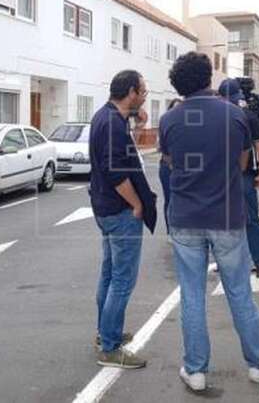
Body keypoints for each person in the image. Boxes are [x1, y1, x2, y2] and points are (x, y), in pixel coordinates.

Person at [160, 53, 259, 391]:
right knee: (239, 291)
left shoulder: (169, 120)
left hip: (184, 218)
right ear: (209, 77)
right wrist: (240, 175)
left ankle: (195, 370)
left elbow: (168, 160)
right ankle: (258, 364)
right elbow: (242, 160)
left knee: (192, 295)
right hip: (225, 216)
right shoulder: (235, 115)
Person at [89, 69, 157, 369]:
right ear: (131, 91)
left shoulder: (105, 116)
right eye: (142, 91)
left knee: (109, 273)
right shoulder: (113, 125)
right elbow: (117, 174)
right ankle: (110, 347)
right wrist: (137, 205)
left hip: (104, 208)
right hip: (119, 210)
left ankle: (105, 333)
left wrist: (137, 117)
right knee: (122, 279)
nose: (144, 96)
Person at [218, 78, 259, 278]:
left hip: (218, 177)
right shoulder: (248, 116)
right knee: (251, 221)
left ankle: (226, 263)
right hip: (243, 176)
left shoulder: (212, 117)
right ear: (239, 97)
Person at [159, 98, 183, 231]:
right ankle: (170, 230)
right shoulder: (166, 124)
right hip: (167, 168)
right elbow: (162, 149)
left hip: (181, 167)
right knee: (169, 199)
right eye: (174, 108)